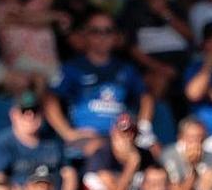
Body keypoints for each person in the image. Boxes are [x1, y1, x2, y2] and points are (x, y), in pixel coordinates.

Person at [45, 10, 152, 142]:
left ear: (115, 36)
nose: (102, 36)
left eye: (108, 31)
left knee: (155, 152)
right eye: (95, 31)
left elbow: (146, 97)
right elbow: (49, 99)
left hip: (121, 138)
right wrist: (67, 133)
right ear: (85, 35)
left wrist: (144, 129)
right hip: (86, 140)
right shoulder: (71, 68)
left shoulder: (126, 69)